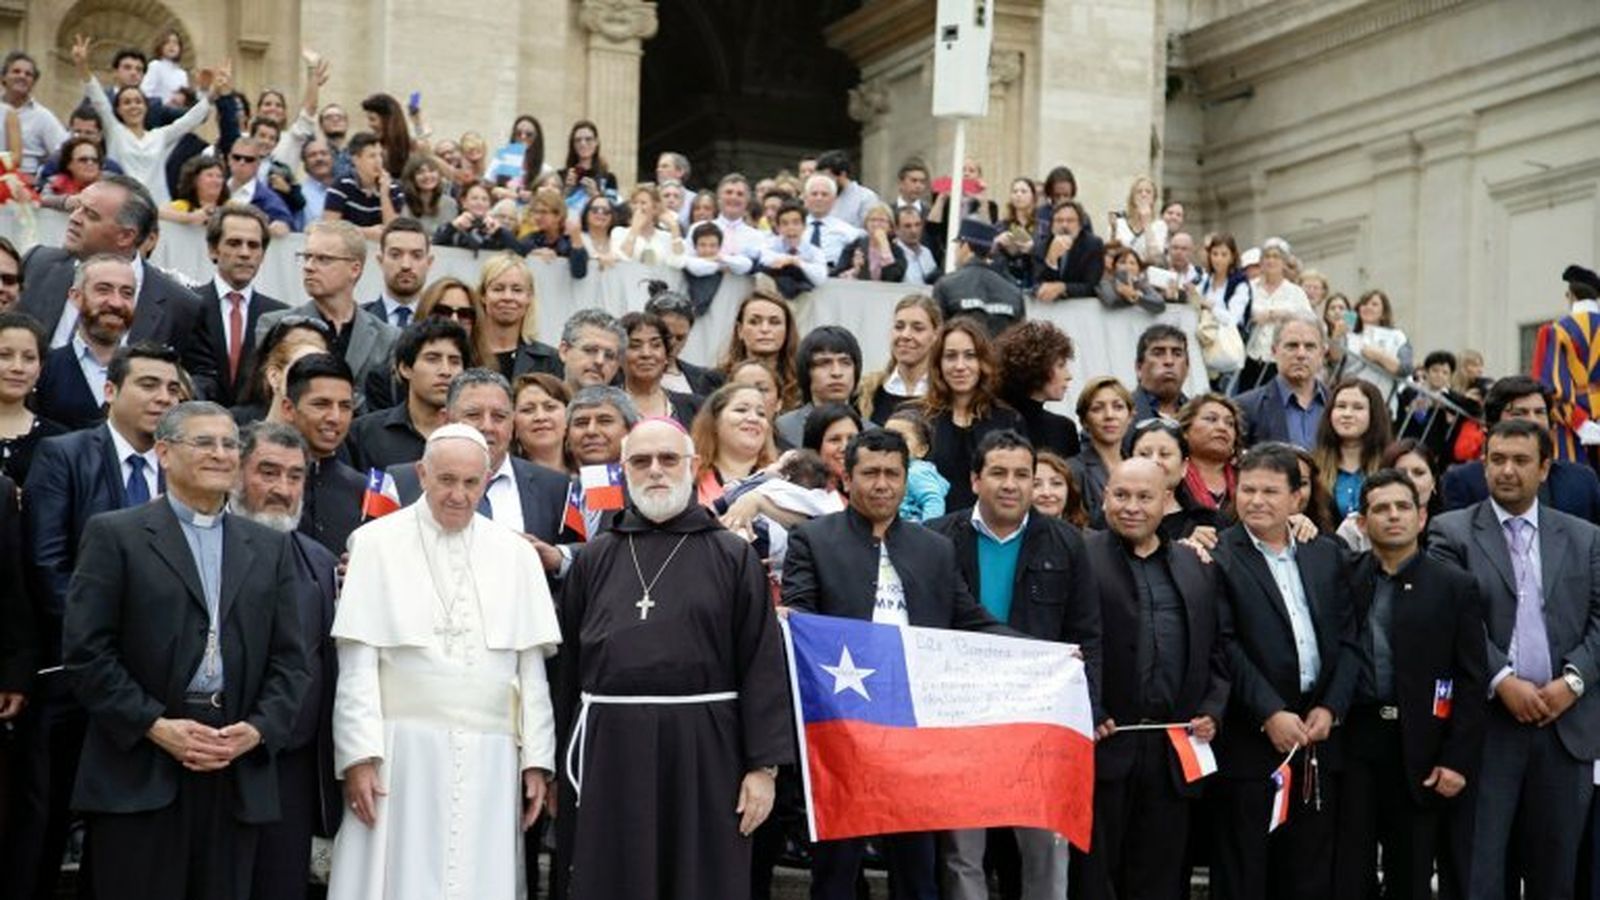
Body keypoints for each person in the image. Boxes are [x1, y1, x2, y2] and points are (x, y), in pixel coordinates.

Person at [58, 401, 307, 900]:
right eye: (204, 442)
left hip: (233, 765)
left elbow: (292, 661)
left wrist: (257, 731)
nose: (220, 454)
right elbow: (88, 653)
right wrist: (155, 725)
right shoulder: (116, 534)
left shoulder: (269, 546)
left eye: (229, 444)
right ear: (165, 453)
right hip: (142, 764)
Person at [553, 417, 791, 897]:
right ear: (624, 471)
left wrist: (763, 769)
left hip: (707, 752)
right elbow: (569, 670)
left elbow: (761, 662)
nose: (656, 471)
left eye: (668, 459)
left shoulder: (731, 554)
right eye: (641, 461)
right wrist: (559, 764)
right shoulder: (596, 558)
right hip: (610, 751)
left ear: (692, 466)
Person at [327, 424, 561, 900]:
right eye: (446, 480)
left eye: (471, 483)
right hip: (399, 753)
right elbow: (357, 665)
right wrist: (357, 756)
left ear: (487, 477)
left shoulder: (515, 553)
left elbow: (531, 670)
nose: (458, 495)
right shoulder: (374, 543)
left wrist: (537, 759)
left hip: (492, 756)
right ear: (422, 473)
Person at [783, 427, 1005, 899]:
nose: (881, 484)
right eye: (870, 473)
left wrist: (1043, 653)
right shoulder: (812, 539)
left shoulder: (934, 548)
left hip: (914, 728)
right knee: (836, 871)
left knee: (916, 870)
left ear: (907, 479)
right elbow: (800, 616)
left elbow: (972, 620)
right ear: (847, 477)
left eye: (892, 474)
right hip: (841, 729)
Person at [11, 344, 182, 899]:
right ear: (111, 391)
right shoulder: (65, 454)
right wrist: (107, 644)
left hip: (151, 687)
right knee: (47, 817)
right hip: (73, 673)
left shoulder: (180, 465)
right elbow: (46, 561)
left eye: (172, 389)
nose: (163, 397)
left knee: (128, 835)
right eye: (149, 385)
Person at [1428, 419, 1600, 900]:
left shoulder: (1585, 537)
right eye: (1496, 459)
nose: (1506, 470)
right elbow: (1451, 621)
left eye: (1520, 460)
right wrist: (1501, 678)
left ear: (1545, 468)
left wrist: (1573, 682)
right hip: (1488, 728)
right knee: (1480, 875)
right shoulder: (1451, 532)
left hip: (1565, 730)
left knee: (1557, 877)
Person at [927, 430, 1100, 900]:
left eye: (1022, 475)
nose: (1011, 484)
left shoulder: (1067, 543)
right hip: (961, 716)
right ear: (975, 479)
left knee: (1045, 846)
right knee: (963, 853)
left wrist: (1089, 711)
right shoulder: (938, 539)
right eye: (999, 473)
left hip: (1039, 719)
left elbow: (1087, 635)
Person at [1208, 443, 1360, 900]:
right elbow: (1224, 644)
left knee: (1310, 869)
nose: (1256, 500)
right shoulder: (1219, 556)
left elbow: (1350, 639)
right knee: (1244, 872)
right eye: (1248, 489)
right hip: (1250, 740)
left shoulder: (1325, 553)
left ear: (1297, 498)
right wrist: (1268, 712)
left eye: (1270, 491)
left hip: (1317, 736)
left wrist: (1332, 707)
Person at [1075, 457, 1229, 900]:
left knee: (1160, 878)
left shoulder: (1195, 564)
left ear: (1167, 502)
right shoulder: (1081, 555)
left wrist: (1212, 710)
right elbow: (1066, 642)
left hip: (1172, 750)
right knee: (1094, 878)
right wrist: (1089, 706)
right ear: (1104, 497)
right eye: (1121, 495)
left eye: (1145, 497)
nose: (1132, 507)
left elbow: (1217, 646)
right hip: (1104, 744)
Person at [1333, 469, 1488, 900]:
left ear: (1422, 518)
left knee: (1413, 872)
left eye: (1403, 507)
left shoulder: (1454, 585)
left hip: (1421, 746)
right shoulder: (1342, 575)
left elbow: (1471, 681)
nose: (1393, 516)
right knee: (1348, 871)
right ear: (1362, 523)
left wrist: (1457, 759)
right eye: (1380, 508)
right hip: (1354, 742)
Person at [229, 422, 343, 900]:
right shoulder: (207, 544)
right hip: (220, 757)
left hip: (292, 769)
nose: (282, 489)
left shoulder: (317, 559)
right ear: (237, 473)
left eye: (295, 477)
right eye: (268, 472)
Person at [18, 174, 202, 354]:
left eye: (90, 214)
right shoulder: (37, 264)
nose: (74, 218)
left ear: (125, 236)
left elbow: (200, 376)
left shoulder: (181, 306)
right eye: (77, 207)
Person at [257, 220, 401, 411]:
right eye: (306, 257)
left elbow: (386, 404)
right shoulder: (276, 326)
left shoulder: (388, 337)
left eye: (323, 259)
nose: (309, 266)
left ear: (354, 269)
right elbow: (266, 394)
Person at [72, 34, 213, 205]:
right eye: (127, 102)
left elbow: (190, 120)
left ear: (146, 107)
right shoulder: (115, 131)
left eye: (138, 102)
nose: (133, 106)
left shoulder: (160, 136)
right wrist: (82, 66)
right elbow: (97, 97)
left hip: (157, 210)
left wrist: (211, 92)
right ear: (118, 109)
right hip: (120, 205)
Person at [1440, 375, 1600, 524]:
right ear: (1491, 427)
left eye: (1539, 413)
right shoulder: (1464, 482)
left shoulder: (1582, 481)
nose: (1533, 421)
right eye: (1519, 413)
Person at [182, 206, 286, 408]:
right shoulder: (185, 305)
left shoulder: (279, 316)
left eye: (253, 245)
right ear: (213, 249)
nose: (245, 253)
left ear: (263, 255)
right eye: (234, 243)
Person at [922, 318, 1025, 512]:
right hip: (932, 533)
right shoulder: (922, 418)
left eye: (970, 356)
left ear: (983, 361)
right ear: (938, 363)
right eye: (951, 356)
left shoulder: (1008, 420)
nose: (960, 366)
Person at [347, 318, 469, 472]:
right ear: (405, 368)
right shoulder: (363, 434)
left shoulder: (473, 433)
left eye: (455, 361)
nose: (446, 371)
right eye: (432, 359)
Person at [33, 254, 138, 430]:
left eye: (127, 293)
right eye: (103, 290)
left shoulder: (146, 373)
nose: (116, 303)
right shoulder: (44, 368)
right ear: (75, 297)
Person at [276, 353, 365, 555]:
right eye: (321, 404)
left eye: (345, 406)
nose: (335, 417)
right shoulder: (259, 482)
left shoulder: (366, 491)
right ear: (288, 408)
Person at [1534, 264, 1600, 466]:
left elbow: (1548, 386)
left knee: (1573, 487)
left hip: (1570, 427)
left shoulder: (1556, 331)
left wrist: (1582, 424)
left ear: (1570, 295)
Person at [1125, 417, 1230, 543]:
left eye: (1164, 454)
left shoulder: (1210, 522)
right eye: (1144, 454)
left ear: (1184, 467)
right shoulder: (1115, 517)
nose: (1154, 461)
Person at [1235, 312, 1329, 450]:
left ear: (1322, 353)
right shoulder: (1245, 407)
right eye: (1292, 346)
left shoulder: (1336, 405)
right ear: (1274, 351)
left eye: (1310, 347)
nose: (1301, 354)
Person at [995, 319, 1080, 458]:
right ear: (1037, 366)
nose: (1069, 376)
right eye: (1060, 365)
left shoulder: (1063, 429)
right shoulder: (993, 422)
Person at [1310, 379, 1391, 520]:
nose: (1347, 414)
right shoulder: (1312, 466)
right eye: (1341, 406)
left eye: (1358, 407)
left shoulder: (1390, 465)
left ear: (1374, 415)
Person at [1238, 238, 1312, 392]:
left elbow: (1309, 321)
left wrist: (1276, 314)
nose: (1271, 260)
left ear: (1284, 263)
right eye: (1267, 256)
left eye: (1276, 257)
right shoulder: (1249, 287)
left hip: (1281, 360)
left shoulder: (1295, 292)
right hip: (1251, 356)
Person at [0, 313, 64, 485]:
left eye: (29, 358)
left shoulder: (59, 441)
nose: (18, 368)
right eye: (5, 355)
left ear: (40, 367)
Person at [934, 219, 1026, 337]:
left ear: (965, 246)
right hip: (999, 354)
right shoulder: (1013, 291)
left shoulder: (946, 285)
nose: (955, 252)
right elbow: (1022, 342)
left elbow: (936, 336)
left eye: (957, 245)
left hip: (962, 354)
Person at [859, 294, 942, 425]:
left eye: (918, 328)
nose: (905, 335)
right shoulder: (867, 392)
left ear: (936, 335)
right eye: (899, 327)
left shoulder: (947, 393)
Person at [692, 383, 779, 505]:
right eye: (741, 410)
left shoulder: (782, 477)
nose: (754, 419)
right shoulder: (690, 477)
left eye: (761, 414)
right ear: (715, 421)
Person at [775, 326, 861, 448]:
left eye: (845, 362)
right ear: (806, 372)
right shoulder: (783, 429)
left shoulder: (871, 432)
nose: (836, 372)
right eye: (824, 363)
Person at [719, 290, 801, 411]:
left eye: (774, 322)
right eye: (754, 322)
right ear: (740, 330)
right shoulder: (716, 379)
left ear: (787, 331)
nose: (765, 329)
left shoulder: (802, 382)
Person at [1070, 376, 1134, 528]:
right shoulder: (1074, 470)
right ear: (1084, 421)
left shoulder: (1139, 465)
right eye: (1097, 408)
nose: (1109, 415)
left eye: (1118, 407)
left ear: (1130, 416)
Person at [644, 281, 726, 397]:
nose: (672, 344)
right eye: (666, 335)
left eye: (680, 338)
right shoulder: (621, 374)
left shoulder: (705, 379)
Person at [620, 311, 698, 425]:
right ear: (619, 356)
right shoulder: (606, 405)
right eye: (635, 346)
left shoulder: (694, 407)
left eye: (655, 345)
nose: (646, 354)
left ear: (666, 355)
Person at [322, 132, 405, 240]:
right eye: (372, 156)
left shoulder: (393, 187)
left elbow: (394, 232)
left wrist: (384, 193)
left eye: (380, 155)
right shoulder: (341, 185)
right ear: (356, 160)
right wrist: (365, 233)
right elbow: (328, 228)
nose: (378, 161)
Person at [2, 51, 69, 176]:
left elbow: (65, 151)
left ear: (33, 82)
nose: (22, 76)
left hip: (26, 181)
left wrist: (42, 176)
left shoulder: (43, 117)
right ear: (3, 77)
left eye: (28, 74)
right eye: (16, 71)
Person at [361, 217, 434, 331]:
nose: (406, 265)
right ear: (380, 261)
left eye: (416, 256)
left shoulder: (441, 322)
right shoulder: (357, 321)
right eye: (395, 255)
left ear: (429, 263)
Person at [1176, 392, 1244, 515]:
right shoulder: (1173, 477)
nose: (1222, 428)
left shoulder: (1245, 477)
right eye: (1211, 419)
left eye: (1230, 423)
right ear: (1185, 430)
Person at [884, 408, 949, 523]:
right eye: (886, 437)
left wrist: (927, 533)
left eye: (901, 439)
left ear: (922, 450)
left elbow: (933, 501)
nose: (892, 443)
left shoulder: (916, 472)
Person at [1034, 199, 1104, 302]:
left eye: (1070, 220)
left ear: (1080, 225)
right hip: (1049, 308)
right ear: (1052, 225)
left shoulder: (1093, 245)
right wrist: (1051, 260)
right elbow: (1038, 284)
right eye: (1059, 220)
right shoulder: (1041, 246)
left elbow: (1092, 286)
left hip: (1082, 307)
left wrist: (1063, 287)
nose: (1064, 225)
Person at [833, 204, 906, 282]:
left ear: (890, 227)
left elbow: (893, 278)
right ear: (866, 224)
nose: (877, 224)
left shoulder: (897, 251)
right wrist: (855, 270)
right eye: (873, 220)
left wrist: (884, 247)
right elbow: (836, 277)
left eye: (882, 220)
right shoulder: (854, 247)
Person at [1132, 323, 1191, 421]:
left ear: (1187, 367)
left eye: (1177, 354)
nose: (1169, 361)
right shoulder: (1121, 415)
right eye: (1158, 353)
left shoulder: (1198, 416)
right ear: (1139, 367)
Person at [1109, 176, 1168, 266]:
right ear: (1132, 198)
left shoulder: (1160, 225)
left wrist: (1146, 224)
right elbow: (1110, 253)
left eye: (1148, 192)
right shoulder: (1119, 223)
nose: (1143, 195)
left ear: (1153, 198)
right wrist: (1113, 230)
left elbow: (1155, 258)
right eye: (1139, 191)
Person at [38, 135, 105, 210]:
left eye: (95, 160)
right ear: (69, 164)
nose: (90, 163)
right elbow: (42, 199)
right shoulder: (55, 182)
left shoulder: (110, 183)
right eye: (83, 160)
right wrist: (66, 201)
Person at [1097, 246, 1166, 315]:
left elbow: (1160, 305)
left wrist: (1136, 297)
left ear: (1139, 269)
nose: (1128, 266)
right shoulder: (1105, 282)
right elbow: (1111, 301)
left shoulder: (1141, 284)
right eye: (1122, 262)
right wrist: (1126, 293)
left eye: (1132, 263)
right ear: (1114, 267)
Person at [894, 205, 940, 285]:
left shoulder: (926, 252)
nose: (914, 230)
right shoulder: (893, 254)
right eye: (907, 226)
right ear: (896, 229)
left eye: (917, 225)